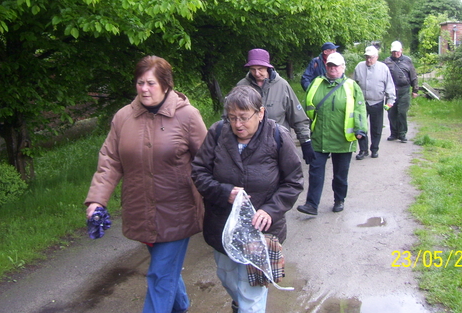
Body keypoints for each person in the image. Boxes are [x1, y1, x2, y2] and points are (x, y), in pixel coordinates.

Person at [84, 56, 206, 313]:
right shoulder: (123, 118)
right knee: (166, 269)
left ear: (165, 84)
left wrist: (219, 199)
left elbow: (207, 161)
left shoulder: (187, 116)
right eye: (140, 83)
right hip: (140, 210)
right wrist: (97, 200)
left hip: (178, 211)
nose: (144, 89)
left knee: (159, 274)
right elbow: (110, 161)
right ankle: (181, 305)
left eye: (150, 83)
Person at [192, 85, 303, 313]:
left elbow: (294, 181)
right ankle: (238, 301)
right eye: (232, 118)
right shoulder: (217, 133)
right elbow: (199, 172)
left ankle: (245, 305)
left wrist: (270, 210)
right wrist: (224, 192)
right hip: (222, 225)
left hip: (260, 230)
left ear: (260, 113)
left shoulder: (277, 136)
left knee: (251, 292)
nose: (237, 124)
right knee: (227, 276)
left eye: (244, 117)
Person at [297, 52, 367, 215]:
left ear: (343, 67)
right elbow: (307, 106)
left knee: (340, 174)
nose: (333, 68)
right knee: (315, 172)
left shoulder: (351, 86)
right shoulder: (316, 83)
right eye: (330, 65)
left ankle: (339, 199)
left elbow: (360, 108)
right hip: (319, 137)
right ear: (325, 67)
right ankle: (312, 204)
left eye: (336, 65)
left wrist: (360, 129)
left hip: (343, 139)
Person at [237, 48, 316, 166]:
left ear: (268, 68)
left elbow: (298, 117)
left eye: (260, 69)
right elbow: (229, 118)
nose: (257, 73)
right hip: (249, 148)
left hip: (277, 146)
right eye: (253, 69)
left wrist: (305, 142)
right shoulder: (241, 86)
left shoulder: (282, 85)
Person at [353, 45, 396, 159]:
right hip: (361, 103)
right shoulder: (359, 67)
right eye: (367, 57)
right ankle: (363, 150)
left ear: (376, 57)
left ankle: (375, 149)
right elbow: (353, 85)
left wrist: (390, 100)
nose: (369, 60)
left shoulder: (383, 68)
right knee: (361, 127)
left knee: (376, 127)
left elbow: (389, 85)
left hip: (377, 102)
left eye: (371, 57)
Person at [383, 41, 419, 143]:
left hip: (404, 90)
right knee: (392, 113)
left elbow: (413, 75)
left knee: (402, 112)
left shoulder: (408, 61)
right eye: (394, 52)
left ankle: (402, 133)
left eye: (397, 51)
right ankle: (394, 133)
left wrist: (415, 89)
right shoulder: (386, 61)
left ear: (401, 50)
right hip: (391, 91)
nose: (395, 54)